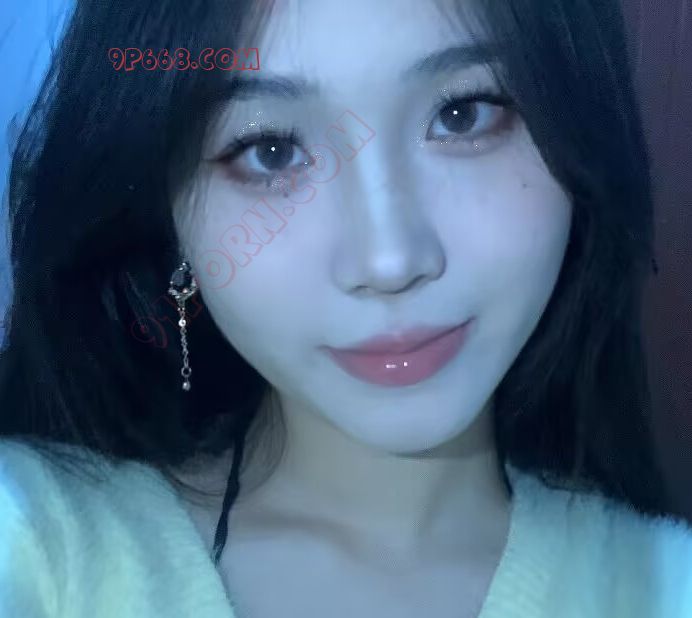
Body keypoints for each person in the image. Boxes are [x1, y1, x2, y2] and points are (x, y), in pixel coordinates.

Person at [0, 0, 691, 617]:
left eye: (463, 114)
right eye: (270, 151)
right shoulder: (35, 543)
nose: (389, 261)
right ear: (169, 222)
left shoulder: (665, 584)